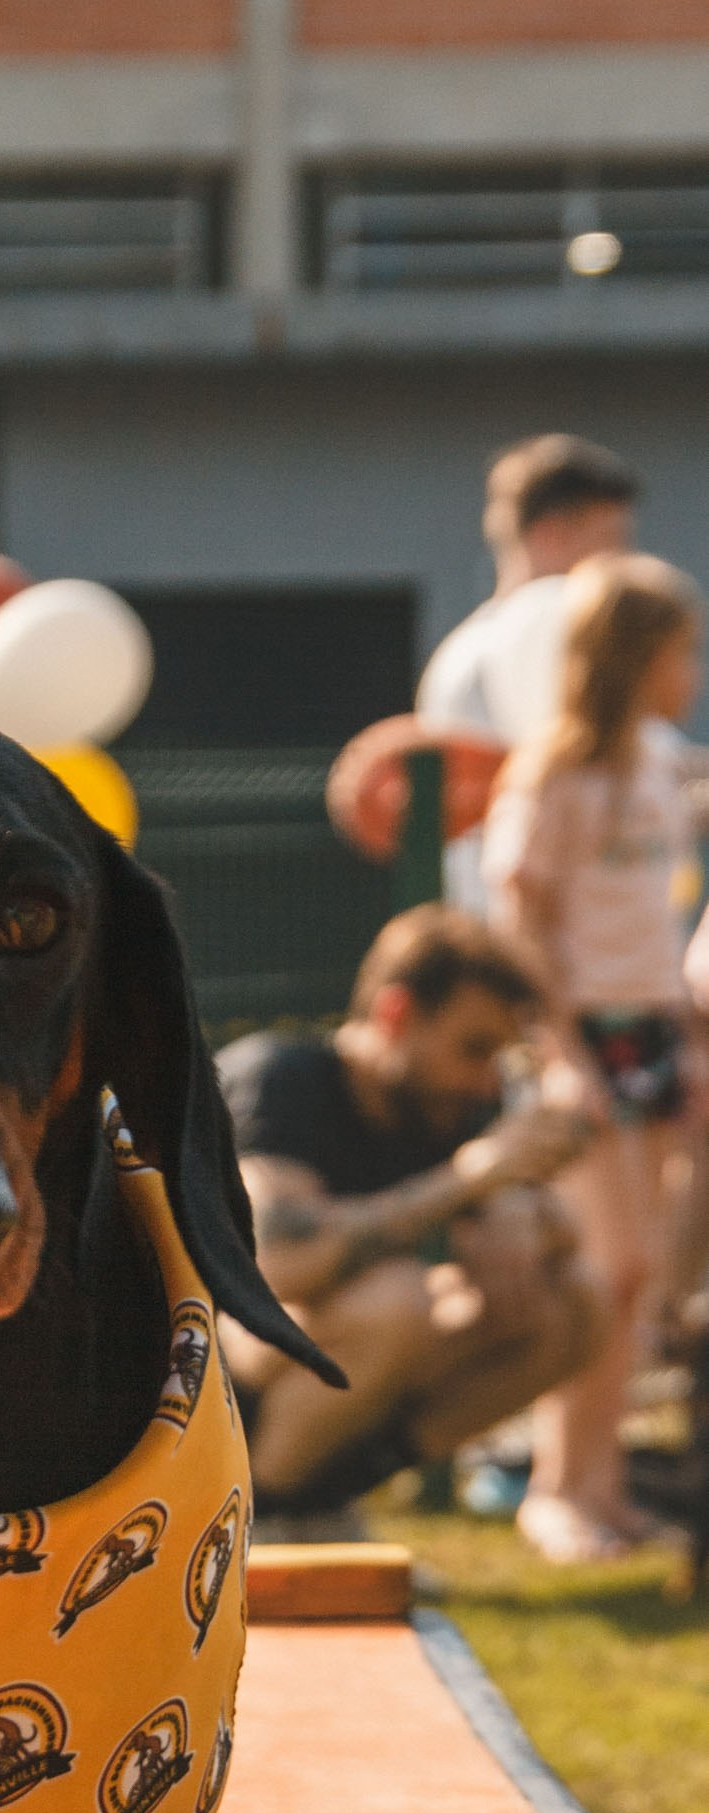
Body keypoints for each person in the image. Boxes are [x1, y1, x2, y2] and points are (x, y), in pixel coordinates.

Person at [217, 907, 601, 1521]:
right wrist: (468, 1180)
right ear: (396, 1014)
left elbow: (567, 1237)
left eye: (500, 1055)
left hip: (315, 1359)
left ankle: (323, 1502)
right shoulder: (283, 1078)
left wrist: (518, 1208)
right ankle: (260, 1522)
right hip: (192, 1370)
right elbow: (276, 1265)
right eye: (475, 1048)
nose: (486, 1080)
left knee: (576, 1304)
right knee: (397, 1303)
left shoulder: (449, 1102)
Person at [483, 552, 709, 1562]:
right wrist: (562, 1050)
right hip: (585, 1038)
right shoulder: (554, 773)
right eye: (679, 651)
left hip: (657, 1028)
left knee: (646, 1275)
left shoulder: (658, 763)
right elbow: (523, 922)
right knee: (607, 1269)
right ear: (632, 656)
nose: (691, 671)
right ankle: (557, 1487)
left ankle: (609, 1488)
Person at [417, 436, 641, 910]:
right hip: (558, 936)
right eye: (610, 542)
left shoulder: (457, 651)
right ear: (552, 534)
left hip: (489, 926)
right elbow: (600, 775)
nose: (623, 566)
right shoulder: (556, 619)